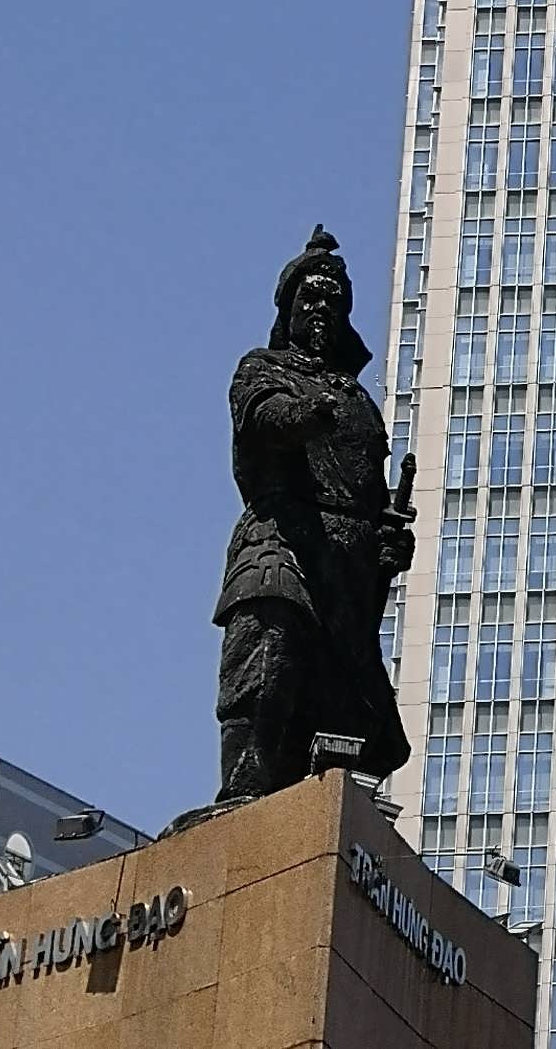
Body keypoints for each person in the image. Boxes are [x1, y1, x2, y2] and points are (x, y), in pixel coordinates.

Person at [213, 228, 416, 803]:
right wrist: (306, 413)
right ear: (288, 307)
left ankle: (317, 808)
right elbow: (263, 418)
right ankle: (244, 792)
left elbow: (369, 489)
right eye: (310, 297)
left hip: (348, 565)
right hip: (282, 538)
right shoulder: (263, 368)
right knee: (268, 653)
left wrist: (387, 542)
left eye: (334, 299)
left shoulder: (357, 400)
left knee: (342, 700)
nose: (322, 307)